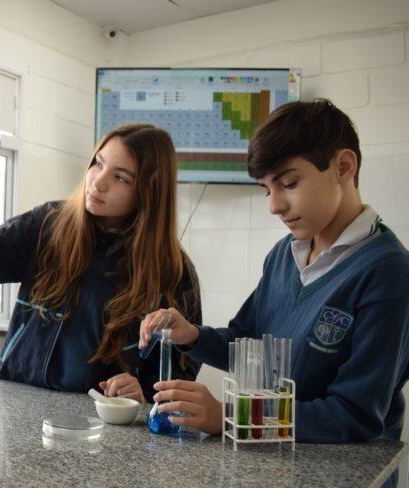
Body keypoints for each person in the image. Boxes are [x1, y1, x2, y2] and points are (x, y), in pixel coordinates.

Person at [139, 99, 409, 442]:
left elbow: (354, 415)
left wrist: (228, 416)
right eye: (267, 189)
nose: (274, 205)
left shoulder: (388, 272)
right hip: (278, 455)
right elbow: (248, 343)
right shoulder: (285, 254)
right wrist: (191, 335)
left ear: (343, 166)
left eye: (289, 183)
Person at [0, 124, 202, 403]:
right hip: (18, 411)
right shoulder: (48, 225)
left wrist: (145, 394)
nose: (99, 182)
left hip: (104, 429)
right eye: (98, 164)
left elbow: (179, 375)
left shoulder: (172, 272)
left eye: (121, 178)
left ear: (150, 191)